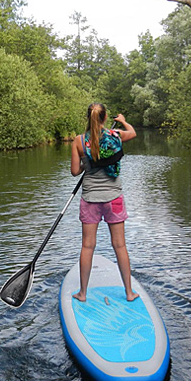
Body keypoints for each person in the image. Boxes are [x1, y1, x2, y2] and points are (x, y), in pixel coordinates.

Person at [70, 103, 138, 302]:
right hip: (114, 199)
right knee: (120, 245)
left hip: (90, 199)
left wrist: (87, 162)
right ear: (105, 117)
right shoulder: (116, 135)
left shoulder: (79, 141)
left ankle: (82, 293)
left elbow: (75, 171)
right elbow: (132, 133)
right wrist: (123, 121)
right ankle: (129, 292)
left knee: (87, 246)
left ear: (87, 117)